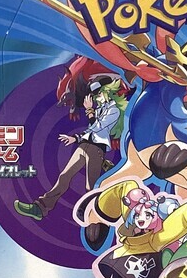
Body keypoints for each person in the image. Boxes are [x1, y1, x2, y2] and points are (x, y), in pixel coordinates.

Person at [14, 79, 124, 221]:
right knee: (64, 176)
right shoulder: (100, 110)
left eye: (98, 94)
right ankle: (40, 207)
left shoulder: (114, 110)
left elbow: (98, 127)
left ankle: (97, 218)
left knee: (91, 186)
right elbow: (91, 131)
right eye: (95, 95)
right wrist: (75, 138)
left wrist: (89, 111)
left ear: (107, 91)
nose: (96, 98)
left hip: (96, 149)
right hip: (84, 145)